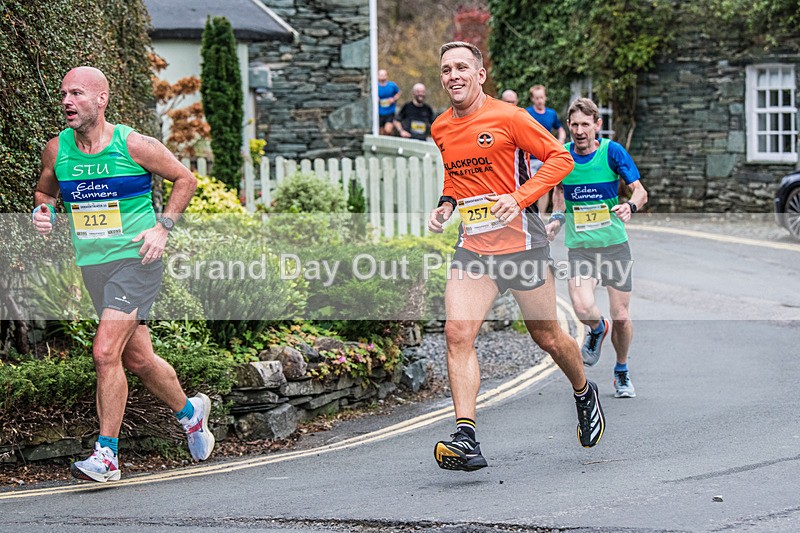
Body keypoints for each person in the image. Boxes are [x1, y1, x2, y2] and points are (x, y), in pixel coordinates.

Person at [427, 42, 605, 472]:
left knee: (546, 337)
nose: (454, 75)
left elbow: (560, 159)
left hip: (523, 244)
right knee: (456, 333)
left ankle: (584, 391)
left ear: (480, 74)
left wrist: (520, 197)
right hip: (473, 247)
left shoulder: (509, 117)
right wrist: (447, 205)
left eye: (462, 68)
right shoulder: (439, 128)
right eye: (447, 69)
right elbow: (455, 175)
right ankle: (466, 436)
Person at [31, 66, 213, 483]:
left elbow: (185, 180)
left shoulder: (134, 144)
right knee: (137, 357)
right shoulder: (58, 150)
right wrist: (44, 211)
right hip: (94, 267)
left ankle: (107, 456)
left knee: (104, 352)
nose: (66, 102)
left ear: (101, 99)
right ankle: (190, 414)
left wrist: (162, 227)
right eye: (63, 94)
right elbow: (45, 192)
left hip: (137, 261)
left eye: (76, 94)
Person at [546, 97, 648, 399]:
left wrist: (630, 206)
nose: (579, 131)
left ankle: (621, 369)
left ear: (597, 125)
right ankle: (596, 327)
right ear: (568, 126)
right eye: (574, 125)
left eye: (585, 125)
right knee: (581, 306)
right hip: (581, 248)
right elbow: (560, 193)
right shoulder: (562, 157)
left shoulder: (612, 152)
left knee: (622, 316)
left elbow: (640, 190)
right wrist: (555, 219)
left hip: (615, 246)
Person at [525, 85, 567, 218]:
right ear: (532, 99)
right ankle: (529, 216)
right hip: (530, 157)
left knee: (544, 188)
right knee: (529, 189)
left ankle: (541, 217)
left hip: (546, 157)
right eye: (537, 98)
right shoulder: (527, 113)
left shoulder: (551, 114)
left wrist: (560, 140)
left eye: (542, 97)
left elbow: (560, 129)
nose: (540, 100)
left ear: (545, 97)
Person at [377, 69, 401, 136]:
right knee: (381, 132)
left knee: (387, 130)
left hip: (390, 111)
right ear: (378, 76)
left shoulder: (392, 85)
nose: (383, 77)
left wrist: (393, 99)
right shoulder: (375, 86)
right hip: (380, 112)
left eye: (384, 75)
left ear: (387, 76)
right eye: (381, 75)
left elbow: (398, 93)